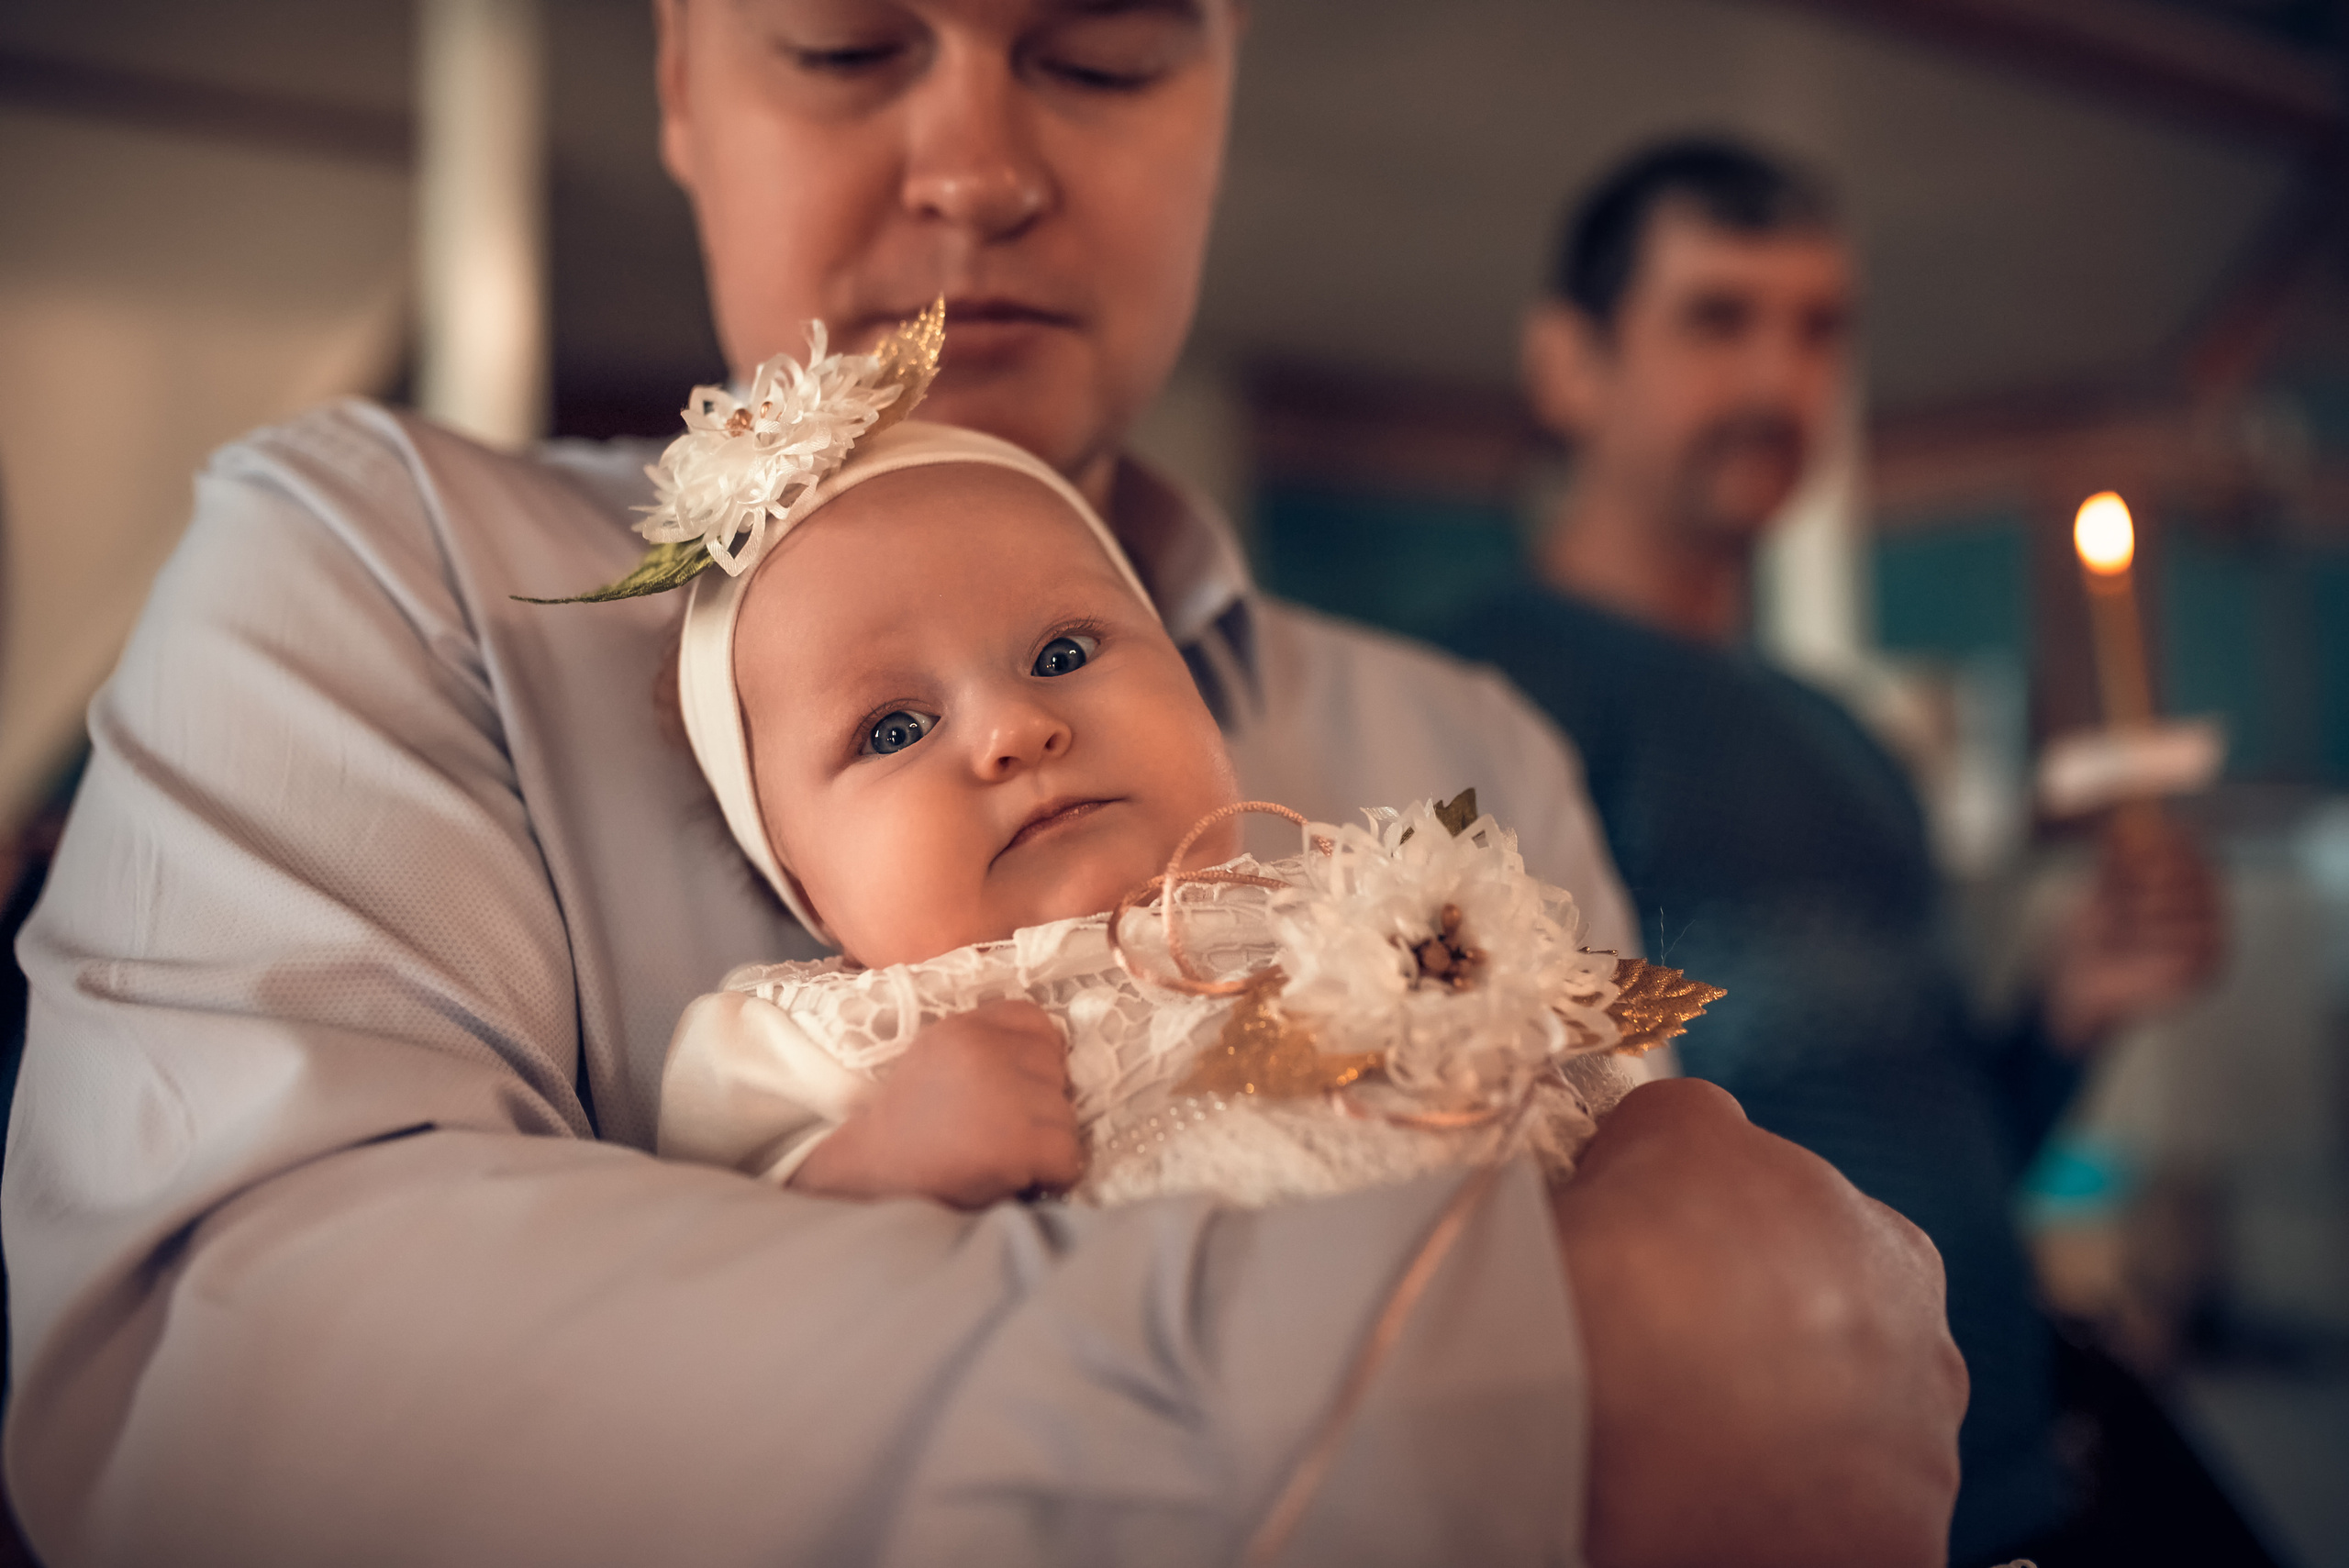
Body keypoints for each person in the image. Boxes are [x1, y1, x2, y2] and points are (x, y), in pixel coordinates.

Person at [3, 11, 1965, 1563]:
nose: (976, 169)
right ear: (682, 77)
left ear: (1216, 79)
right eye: (850, 47)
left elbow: (1644, 1144)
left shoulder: (1469, 750)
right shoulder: (373, 563)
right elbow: (213, 1380)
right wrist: (1527, 1387)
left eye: (1103, 56)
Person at [1439, 136, 2226, 1564]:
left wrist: (2065, 1016)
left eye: (1818, 330)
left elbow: (1947, 1131)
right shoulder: (1482, 703)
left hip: (2018, 1468)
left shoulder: (1853, 737)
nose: (1777, 382)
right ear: (1569, 366)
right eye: (1717, 318)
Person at [615, 384, 1641, 1210]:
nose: (1015, 730)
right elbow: (715, 1268)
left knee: (1684, 1137)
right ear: (797, 876)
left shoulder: (1337, 896)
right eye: (894, 728)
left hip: (1526, 1289)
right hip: (1185, 1393)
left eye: (1063, 651)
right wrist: (872, 1163)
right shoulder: (827, 1036)